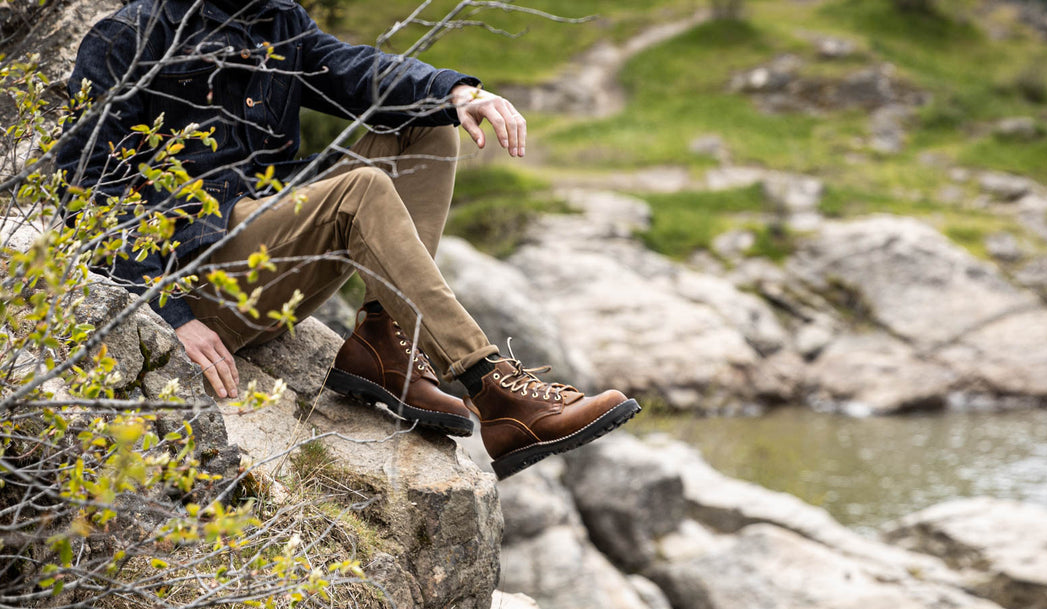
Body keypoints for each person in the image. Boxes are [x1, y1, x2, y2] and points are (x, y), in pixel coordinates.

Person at [56, 0, 639, 479]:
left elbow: (357, 70)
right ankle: (494, 391)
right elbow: (85, 193)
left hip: (271, 249)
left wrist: (457, 94)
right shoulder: (128, 37)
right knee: (361, 188)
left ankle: (385, 342)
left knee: (428, 126)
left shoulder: (277, 19)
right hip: (201, 279)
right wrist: (171, 313)